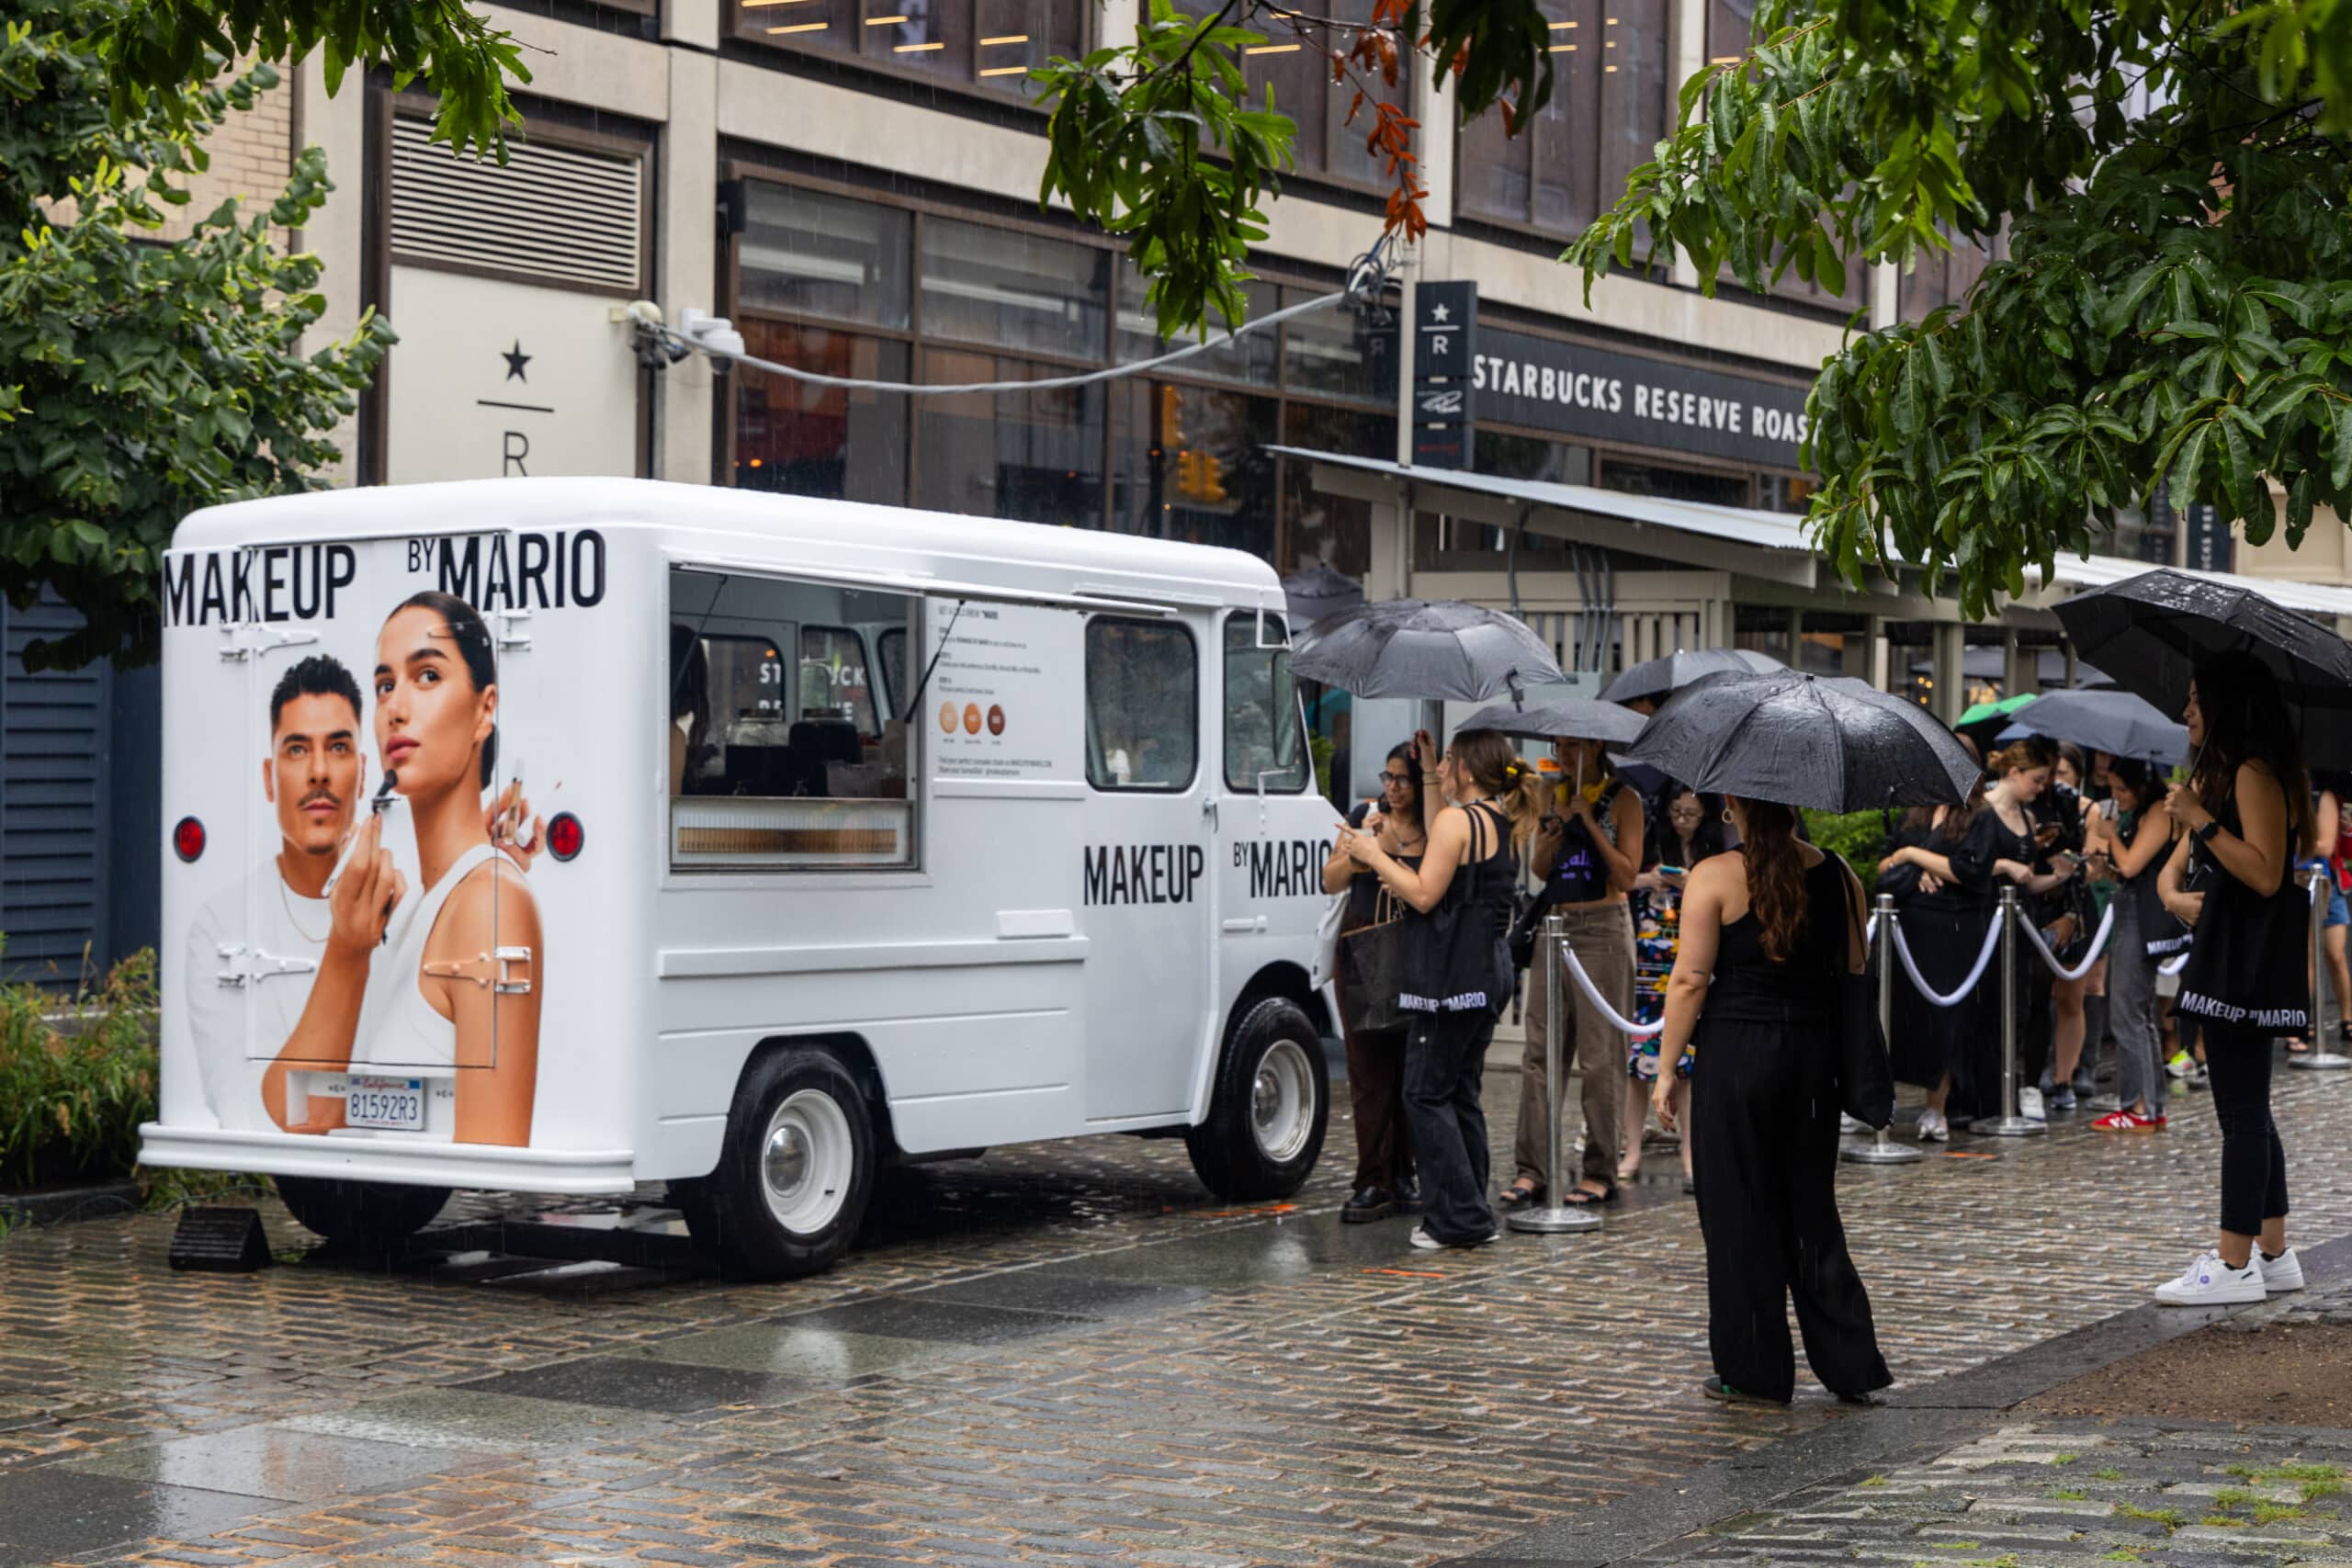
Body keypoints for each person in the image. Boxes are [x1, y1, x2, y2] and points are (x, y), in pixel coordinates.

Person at [262, 592, 546, 1148]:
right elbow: (294, 1110)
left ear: (484, 710)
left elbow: (493, 1155)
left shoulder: (490, 904)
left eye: (427, 676)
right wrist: (346, 951)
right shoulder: (415, 902)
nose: (395, 708)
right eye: (386, 684)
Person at [1653, 795, 1891, 1406]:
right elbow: (1856, 972)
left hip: (1736, 1056)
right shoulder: (1839, 874)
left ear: (1733, 804)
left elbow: (1688, 979)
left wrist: (1664, 1070)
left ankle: (1754, 1366)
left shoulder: (1713, 876)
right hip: (1812, 1060)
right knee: (1811, 1211)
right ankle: (1850, 1361)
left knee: (1737, 1212)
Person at [1338, 728, 1542, 1249]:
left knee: (1425, 1093)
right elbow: (1439, 831)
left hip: (1453, 974)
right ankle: (1473, 1207)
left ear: (1468, 769)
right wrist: (1428, 765)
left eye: (1450, 761)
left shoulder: (1457, 820)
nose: (1444, 769)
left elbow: (1425, 893)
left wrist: (1374, 854)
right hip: (1487, 969)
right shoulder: (1494, 817)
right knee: (1460, 1092)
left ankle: (1459, 1219)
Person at [2153, 650, 2312, 1305]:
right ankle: (2272, 1252)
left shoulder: (2253, 772)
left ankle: (2234, 1259)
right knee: (2250, 1108)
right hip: (2233, 950)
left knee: (2241, 1113)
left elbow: (2268, 872)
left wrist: (2201, 819)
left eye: (2196, 700)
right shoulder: (2233, 774)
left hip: (2246, 961)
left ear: (2225, 707)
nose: (2187, 711)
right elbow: (2195, 871)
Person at [187, 655, 368, 1130]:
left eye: (339, 747)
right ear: (270, 779)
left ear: (364, 774)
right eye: (297, 750)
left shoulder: (412, 905)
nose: (319, 772)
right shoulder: (219, 925)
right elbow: (244, 1114)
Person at [1882, 739, 2074, 1128]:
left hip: (1959, 926)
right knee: (1906, 1017)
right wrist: (1910, 867)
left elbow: (1969, 869)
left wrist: (1911, 858)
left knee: (1949, 1019)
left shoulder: (1978, 815)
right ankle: (1890, 1101)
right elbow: (1884, 863)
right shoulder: (1915, 812)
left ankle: (1938, 1108)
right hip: (1911, 927)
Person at [1504, 734, 1645, 1210]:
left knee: (1601, 1056)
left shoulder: (1625, 799)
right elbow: (1542, 869)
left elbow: (1627, 876)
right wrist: (1551, 835)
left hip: (1603, 926)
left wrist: (1589, 820)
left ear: (1597, 748)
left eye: (1574, 747)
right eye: (1558, 746)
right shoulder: (1550, 794)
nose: (1564, 755)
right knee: (1541, 1052)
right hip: (1556, 923)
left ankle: (1601, 1169)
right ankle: (1532, 1168)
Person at [1321, 742, 1423, 1223]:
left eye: (1403, 780)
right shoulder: (1363, 815)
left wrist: (1393, 852)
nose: (1393, 788)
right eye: (1388, 777)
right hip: (1362, 948)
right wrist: (1364, 852)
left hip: (1411, 950)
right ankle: (1371, 1177)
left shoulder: (1433, 826)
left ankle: (1404, 1172)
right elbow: (1329, 878)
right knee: (1367, 1070)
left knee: (1409, 1068)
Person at [1622, 784, 1723, 1189]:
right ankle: (1629, 1150)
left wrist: (1689, 883)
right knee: (1637, 1064)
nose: (1681, 821)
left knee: (1688, 1067)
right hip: (1646, 961)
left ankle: (1690, 1156)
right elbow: (1622, 878)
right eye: (1676, 812)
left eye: (1691, 815)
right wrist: (1648, 879)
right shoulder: (1650, 841)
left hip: (1688, 962)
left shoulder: (1713, 853)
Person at [2087, 758, 2173, 1132]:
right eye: (2113, 789)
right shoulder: (2142, 812)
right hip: (2130, 910)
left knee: (2127, 1013)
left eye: (2122, 789)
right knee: (2138, 1014)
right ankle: (2149, 1105)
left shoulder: (2158, 811)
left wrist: (2110, 836)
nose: (2116, 796)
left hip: (2142, 918)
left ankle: (2138, 1107)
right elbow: (2125, 871)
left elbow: (2134, 865)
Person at [2290, 772, 2352, 1057]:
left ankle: (2347, 1018)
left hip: (2322, 881)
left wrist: (2290, 842)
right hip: (2292, 880)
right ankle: (2299, 1021)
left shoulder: (2322, 796)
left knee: (2334, 955)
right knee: (2305, 956)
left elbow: (2325, 846)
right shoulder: (2279, 793)